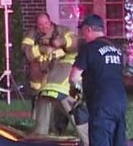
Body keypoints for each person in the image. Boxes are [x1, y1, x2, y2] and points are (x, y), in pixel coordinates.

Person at [22, 13, 88, 144]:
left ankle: (57, 132)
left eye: (46, 24)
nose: (44, 27)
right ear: (36, 25)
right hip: (40, 82)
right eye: (40, 25)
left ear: (50, 21)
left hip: (61, 80)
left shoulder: (62, 31)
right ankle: (46, 135)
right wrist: (42, 49)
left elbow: (74, 43)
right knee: (45, 113)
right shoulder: (31, 35)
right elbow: (27, 52)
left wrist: (62, 42)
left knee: (64, 110)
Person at [69, 14, 127, 146]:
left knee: (100, 140)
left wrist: (77, 93)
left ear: (88, 30)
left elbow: (73, 77)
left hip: (101, 102)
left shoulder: (88, 49)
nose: (83, 35)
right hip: (120, 101)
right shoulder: (116, 49)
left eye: (83, 31)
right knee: (118, 140)